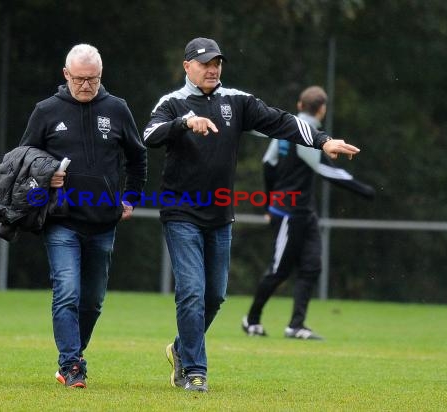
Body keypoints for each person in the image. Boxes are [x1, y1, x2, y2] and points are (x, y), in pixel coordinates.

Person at [143, 38, 361, 392]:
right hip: (180, 212)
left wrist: (322, 141)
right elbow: (149, 135)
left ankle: (181, 350)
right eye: (204, 63)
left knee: (214, 297)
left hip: (219, 215)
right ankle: (196, 371)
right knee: (192, 293)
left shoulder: (237, 101)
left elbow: (282, 122)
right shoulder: (172, 104)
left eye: (217, 63)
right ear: (187, 66)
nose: (213, 69)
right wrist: (185, 123)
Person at [18, 44, 147, 389]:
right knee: (67, 292)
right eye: (79, 79)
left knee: (92, 301)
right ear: (66, 75)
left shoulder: (117, 109)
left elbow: (137, 158)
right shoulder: (45, 111)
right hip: (61, 220)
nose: (86, 86)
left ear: (101, 76)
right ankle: (72, 364)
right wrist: (46, 177)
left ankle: (73, 356)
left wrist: (131, 197)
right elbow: (22, 160)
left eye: (93, 80)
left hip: (104, 222)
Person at [242, 86, 375, 340]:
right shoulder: (309, 133)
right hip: (289, 212)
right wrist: (363, 190)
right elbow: (324, 168)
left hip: (301, 211)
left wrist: (268, 201)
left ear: (300, 105)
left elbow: (268, 165)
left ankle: (296, 325)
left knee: (311, 266)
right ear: (322, 109)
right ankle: (251, 320)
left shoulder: (283, 129)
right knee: (279, 269)